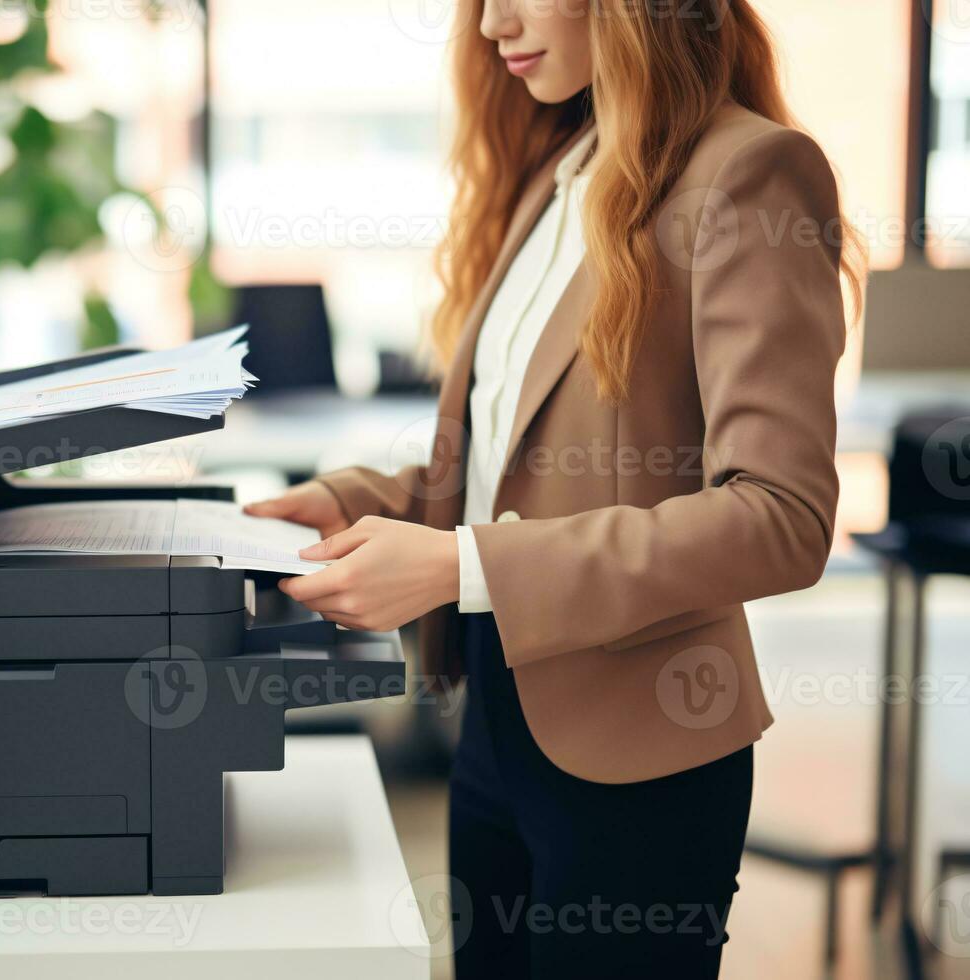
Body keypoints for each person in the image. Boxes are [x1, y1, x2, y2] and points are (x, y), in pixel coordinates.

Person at [245, 1, 863, 976]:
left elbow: (780, 516)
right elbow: (520, 463)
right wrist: (366, 501)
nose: (492, 24)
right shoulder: (559, 164)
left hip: (643, 747)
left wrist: (460, 561)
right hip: (495, 714)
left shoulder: (750, 173)